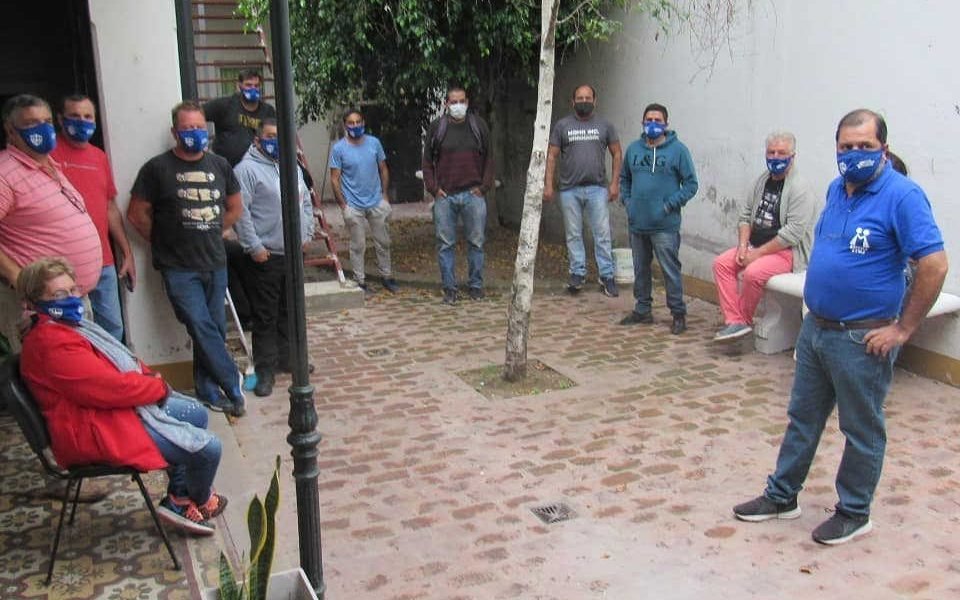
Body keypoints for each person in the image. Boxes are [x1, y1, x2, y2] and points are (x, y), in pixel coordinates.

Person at [733, 109, 948, 545]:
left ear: (883, 149)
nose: (854, 154)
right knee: (802, 418)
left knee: (861, 429)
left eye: (865, 146)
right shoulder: (836, 189)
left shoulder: (903, 196)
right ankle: (782, 496)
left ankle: (854, 511)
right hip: (817, 329)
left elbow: (935, 264)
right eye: (846, 147)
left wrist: (903, 330)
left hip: (862, 338)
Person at [17, 257, 227, 535]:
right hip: (93, 429)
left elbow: (114, 370)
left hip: (103, 413)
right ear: (35, 301)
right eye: (59, 294)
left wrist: (149, 380)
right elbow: (106, 389)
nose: (71, 298)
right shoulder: (50, 341)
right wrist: (156, 388)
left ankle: (179, 495)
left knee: (196, 414)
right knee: (209, 449)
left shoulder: (62, 325)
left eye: (72, 290)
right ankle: (190, 500)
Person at [127, 101, 246, 417]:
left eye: (199, 127)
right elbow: (136, 214)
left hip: (214, 262)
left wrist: (213, 229)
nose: (194, 132)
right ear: (174, 131)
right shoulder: (156, 169)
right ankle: (232, 383)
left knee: (212, 329)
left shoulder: (220, 165)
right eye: (187, 127)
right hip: (178, 267)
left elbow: (235, 207)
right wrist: (165, 240)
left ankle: (208, 391)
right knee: (199, 323)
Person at [0, 94, 101, 354]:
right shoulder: (5, 173)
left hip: (72, 297)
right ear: (10, 130)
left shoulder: (48, 166)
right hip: (40, 305)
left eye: (46, 121)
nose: (43, 128)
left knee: (80, 367)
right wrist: (18, 277)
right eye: (32, 123)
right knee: (48, 370)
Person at [233, 118, 314, 397]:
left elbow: (305, 202)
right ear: (257, 140)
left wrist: (306, 234)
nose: (275, 142)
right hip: (265, 256)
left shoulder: (292, 166)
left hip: (292, 254)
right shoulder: (246, 170)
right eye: (269, 136)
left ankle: (288, 359)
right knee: (265, 315)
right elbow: (241, 213)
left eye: (280, 137)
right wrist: (254, 246)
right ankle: (265, 369)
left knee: (290, 312)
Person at [711, 132, 815, 341]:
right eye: (771, 152)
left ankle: (742, 320)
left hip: (786, 252)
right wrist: (743, 247)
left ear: (792, 156)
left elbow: (792, 234)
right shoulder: (761, 182)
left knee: (753, 273)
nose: (775, 157)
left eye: (781, 153)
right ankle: (735, 321)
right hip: (754, 246)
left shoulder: (800, 188)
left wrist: (756, 255)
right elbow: (745, 216)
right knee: (721, 264)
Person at [50, 94, 136, 342]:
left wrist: (126, 252)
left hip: (103, 261)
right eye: (74, 116)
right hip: (62, 264)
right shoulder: (48, 155)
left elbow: (109, 207)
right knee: (73, 332)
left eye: (88, 117)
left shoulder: (99, 157)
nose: (82, 121)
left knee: (113, 330)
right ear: (60, 119)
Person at [618, 103, 699, 334]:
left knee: (670, 270)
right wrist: (628, 201)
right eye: (649, 120)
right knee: (640, 268)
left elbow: (691, 184)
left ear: (666, 124)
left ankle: (678, 313)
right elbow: (624, 178)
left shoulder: (678, 151)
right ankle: (642, 309)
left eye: (657, 120)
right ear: (642, 122)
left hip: (665, 225)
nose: (652, 124)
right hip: (637, 223)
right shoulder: (633, 149)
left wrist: (669, 205)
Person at [544, 84, 622, 297]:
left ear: (595, 101)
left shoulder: (605, 125)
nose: (584, 101)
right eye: (580, 98)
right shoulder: (562, 126)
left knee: (602, 234)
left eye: (588, 98)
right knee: (573, 234)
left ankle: (606, 276)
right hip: (569, 190)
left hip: (598, 188)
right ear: (573, 102)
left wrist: (614, 184)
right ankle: (577, 273)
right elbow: (551, 155)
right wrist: (548, 185)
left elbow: (617, 153)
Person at [421, 87, 495, 305]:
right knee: (445, 245)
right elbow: (427, 162)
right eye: (453, 102)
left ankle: (476, 286)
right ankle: (449, 289)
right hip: (445, 196)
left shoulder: (478, 126)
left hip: (474, 195)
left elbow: (489, 158)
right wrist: (434, 189)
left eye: (461, 101)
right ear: (446, 104)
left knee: (476, 243)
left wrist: (484, 187)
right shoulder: (438, 128)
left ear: (467, 102)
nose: (458, 106)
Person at [330, 109, 397, 295]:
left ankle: (387, 277)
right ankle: (360, 280)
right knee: (358, 245)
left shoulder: (374, 143)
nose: (355, 126)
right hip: (353, 206)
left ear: (363, 122)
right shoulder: (339, 149)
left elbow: (383, 168)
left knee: (384, 242)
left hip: (376, 201)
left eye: (358, 122)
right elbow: (334, 178)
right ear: (345, 125)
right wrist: (343, 205)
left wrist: (384, 195)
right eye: (351, 123)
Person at [203, 69, 277, 167]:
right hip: (224, 166)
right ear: (239, 86)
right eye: (248, 85)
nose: (253, 89)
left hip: (256, 167)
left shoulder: (268, 110)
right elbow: (197, 115)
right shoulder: (225, 105)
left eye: (256, 86)